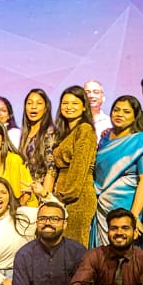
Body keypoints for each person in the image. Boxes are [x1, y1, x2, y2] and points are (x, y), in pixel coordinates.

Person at [91, 96, 143, 250]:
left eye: (126, 111)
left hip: (126, 205)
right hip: (101, 205)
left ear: (135, 116)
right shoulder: (104, 139)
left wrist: (133, 216)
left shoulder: (140, 141)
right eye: (116, 110)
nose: (120, 114)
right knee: (103, 253)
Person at [52, 86, 97, 244]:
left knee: (75, 247)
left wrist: (64, 196)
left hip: (78, 197)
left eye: (74, 103)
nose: (69, 107)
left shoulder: (85, 130)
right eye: (65, 103)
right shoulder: (66, 132)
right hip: (65, 195)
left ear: (84, 107)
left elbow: (79, 166)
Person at [17, 89, 57, 200]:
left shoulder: (49, 132)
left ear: (46, 108)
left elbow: (51, 169)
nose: (33, 107)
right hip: (26, 195)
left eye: (39, 103)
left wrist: (45, 199)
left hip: (41, 194)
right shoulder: (25, 133)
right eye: (29, 103)